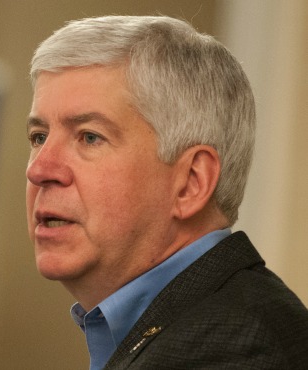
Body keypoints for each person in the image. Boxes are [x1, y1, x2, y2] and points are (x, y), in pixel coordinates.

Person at [25, 15, 308, 369]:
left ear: (191, 182)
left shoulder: (234, 349)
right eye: (38, 137)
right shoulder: (186, 327)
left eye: (89, 137)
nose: (38, 169)